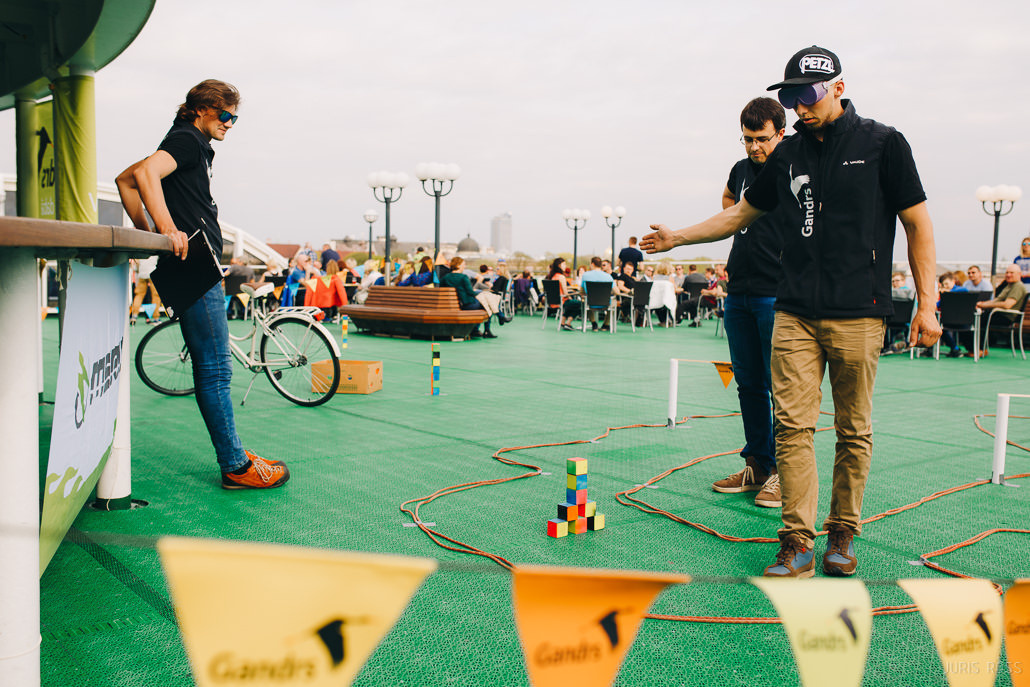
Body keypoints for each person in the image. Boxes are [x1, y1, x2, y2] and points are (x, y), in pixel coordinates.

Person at [641, 45, 941, 578]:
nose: (800, 107)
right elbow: (740, 215)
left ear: (838, 89)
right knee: (792, 429)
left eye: (809, 94)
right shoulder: (789, 154)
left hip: (860, 312)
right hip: (795, 312)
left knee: (853, 428)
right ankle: (797, 542)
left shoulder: (884, 144)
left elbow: (918, 225)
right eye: (792, 97)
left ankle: (842, 534)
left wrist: (928, 305)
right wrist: (678, 238)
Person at [115, 79, 288, 490]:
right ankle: (235, 465)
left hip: (189, 265)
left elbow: (125, 181)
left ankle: (236, 457)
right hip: (195, 267)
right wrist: (166, 229)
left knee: (212, 368)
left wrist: (147, 234)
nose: (230, 124)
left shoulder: (183, 141)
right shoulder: (187, 140)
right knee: (214, 370)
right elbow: (143, 173)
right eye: (225, 115)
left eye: (234, 117)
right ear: (203, 110)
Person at [711, 97, 787, 509]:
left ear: (781, 132)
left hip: (777, 292)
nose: (754, 147)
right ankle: (758, 464)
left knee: (782, 388)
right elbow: (727, 198)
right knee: (748, 385)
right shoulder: (741, 171)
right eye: (747, 139)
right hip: (738, 290)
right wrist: (743, 222)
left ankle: (784, 473)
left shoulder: (794, 165)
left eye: (761, 139)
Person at [968, 264, 1028, 355]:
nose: (1008, 275)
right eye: (1007, 272)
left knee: (979, 320)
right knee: (977, 317)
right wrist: (981, 304)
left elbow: (1007, 305)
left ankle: (980, 349)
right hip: (998, 314)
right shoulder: (1009, 285)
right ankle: (975, 348)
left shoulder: (1018, 286)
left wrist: (985, 306)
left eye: (1011, 273)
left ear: (1019, 274)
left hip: (1006, 317)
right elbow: (996, 300)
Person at [440, 256, 496, 339]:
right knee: (488, 304)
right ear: (458, 265)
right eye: (463, 264)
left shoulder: (446, 277)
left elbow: (441, 287)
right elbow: (470, 292)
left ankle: (476, 330)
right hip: (466, 304)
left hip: (455, 305)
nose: (464, 266)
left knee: (486, 302)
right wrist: (478, 293)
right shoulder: (463, 277)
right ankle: (483, 330)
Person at [579, 256, 615, 330]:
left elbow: (581, 291)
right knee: (614, 303)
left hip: (590, 303)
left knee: (586, 300)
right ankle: (605, 324)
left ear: (592, 264)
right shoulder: (608, 276)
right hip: (606, 304)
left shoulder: (585, 275)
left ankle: (594, 323)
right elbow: (616, 291)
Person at [546, 257, 582, 330]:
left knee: (572, 303)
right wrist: (574, 294)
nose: (565, 266)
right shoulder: (561, 277)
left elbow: (560, 289)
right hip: (561, 301)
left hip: (553, 302)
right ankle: (568, 323)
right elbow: (565, 293)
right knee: (580, 304)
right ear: (559, 265)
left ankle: (563, 322)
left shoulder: (552, 276)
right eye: (564, 264)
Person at [129, 255, 164, 325]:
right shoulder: (156, 250)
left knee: (139, 295)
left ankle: (134, 316)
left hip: (142, 273)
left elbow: (137, 264)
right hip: (153, 272)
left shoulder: (142, 249)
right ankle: (156, 318)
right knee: (156, 295)